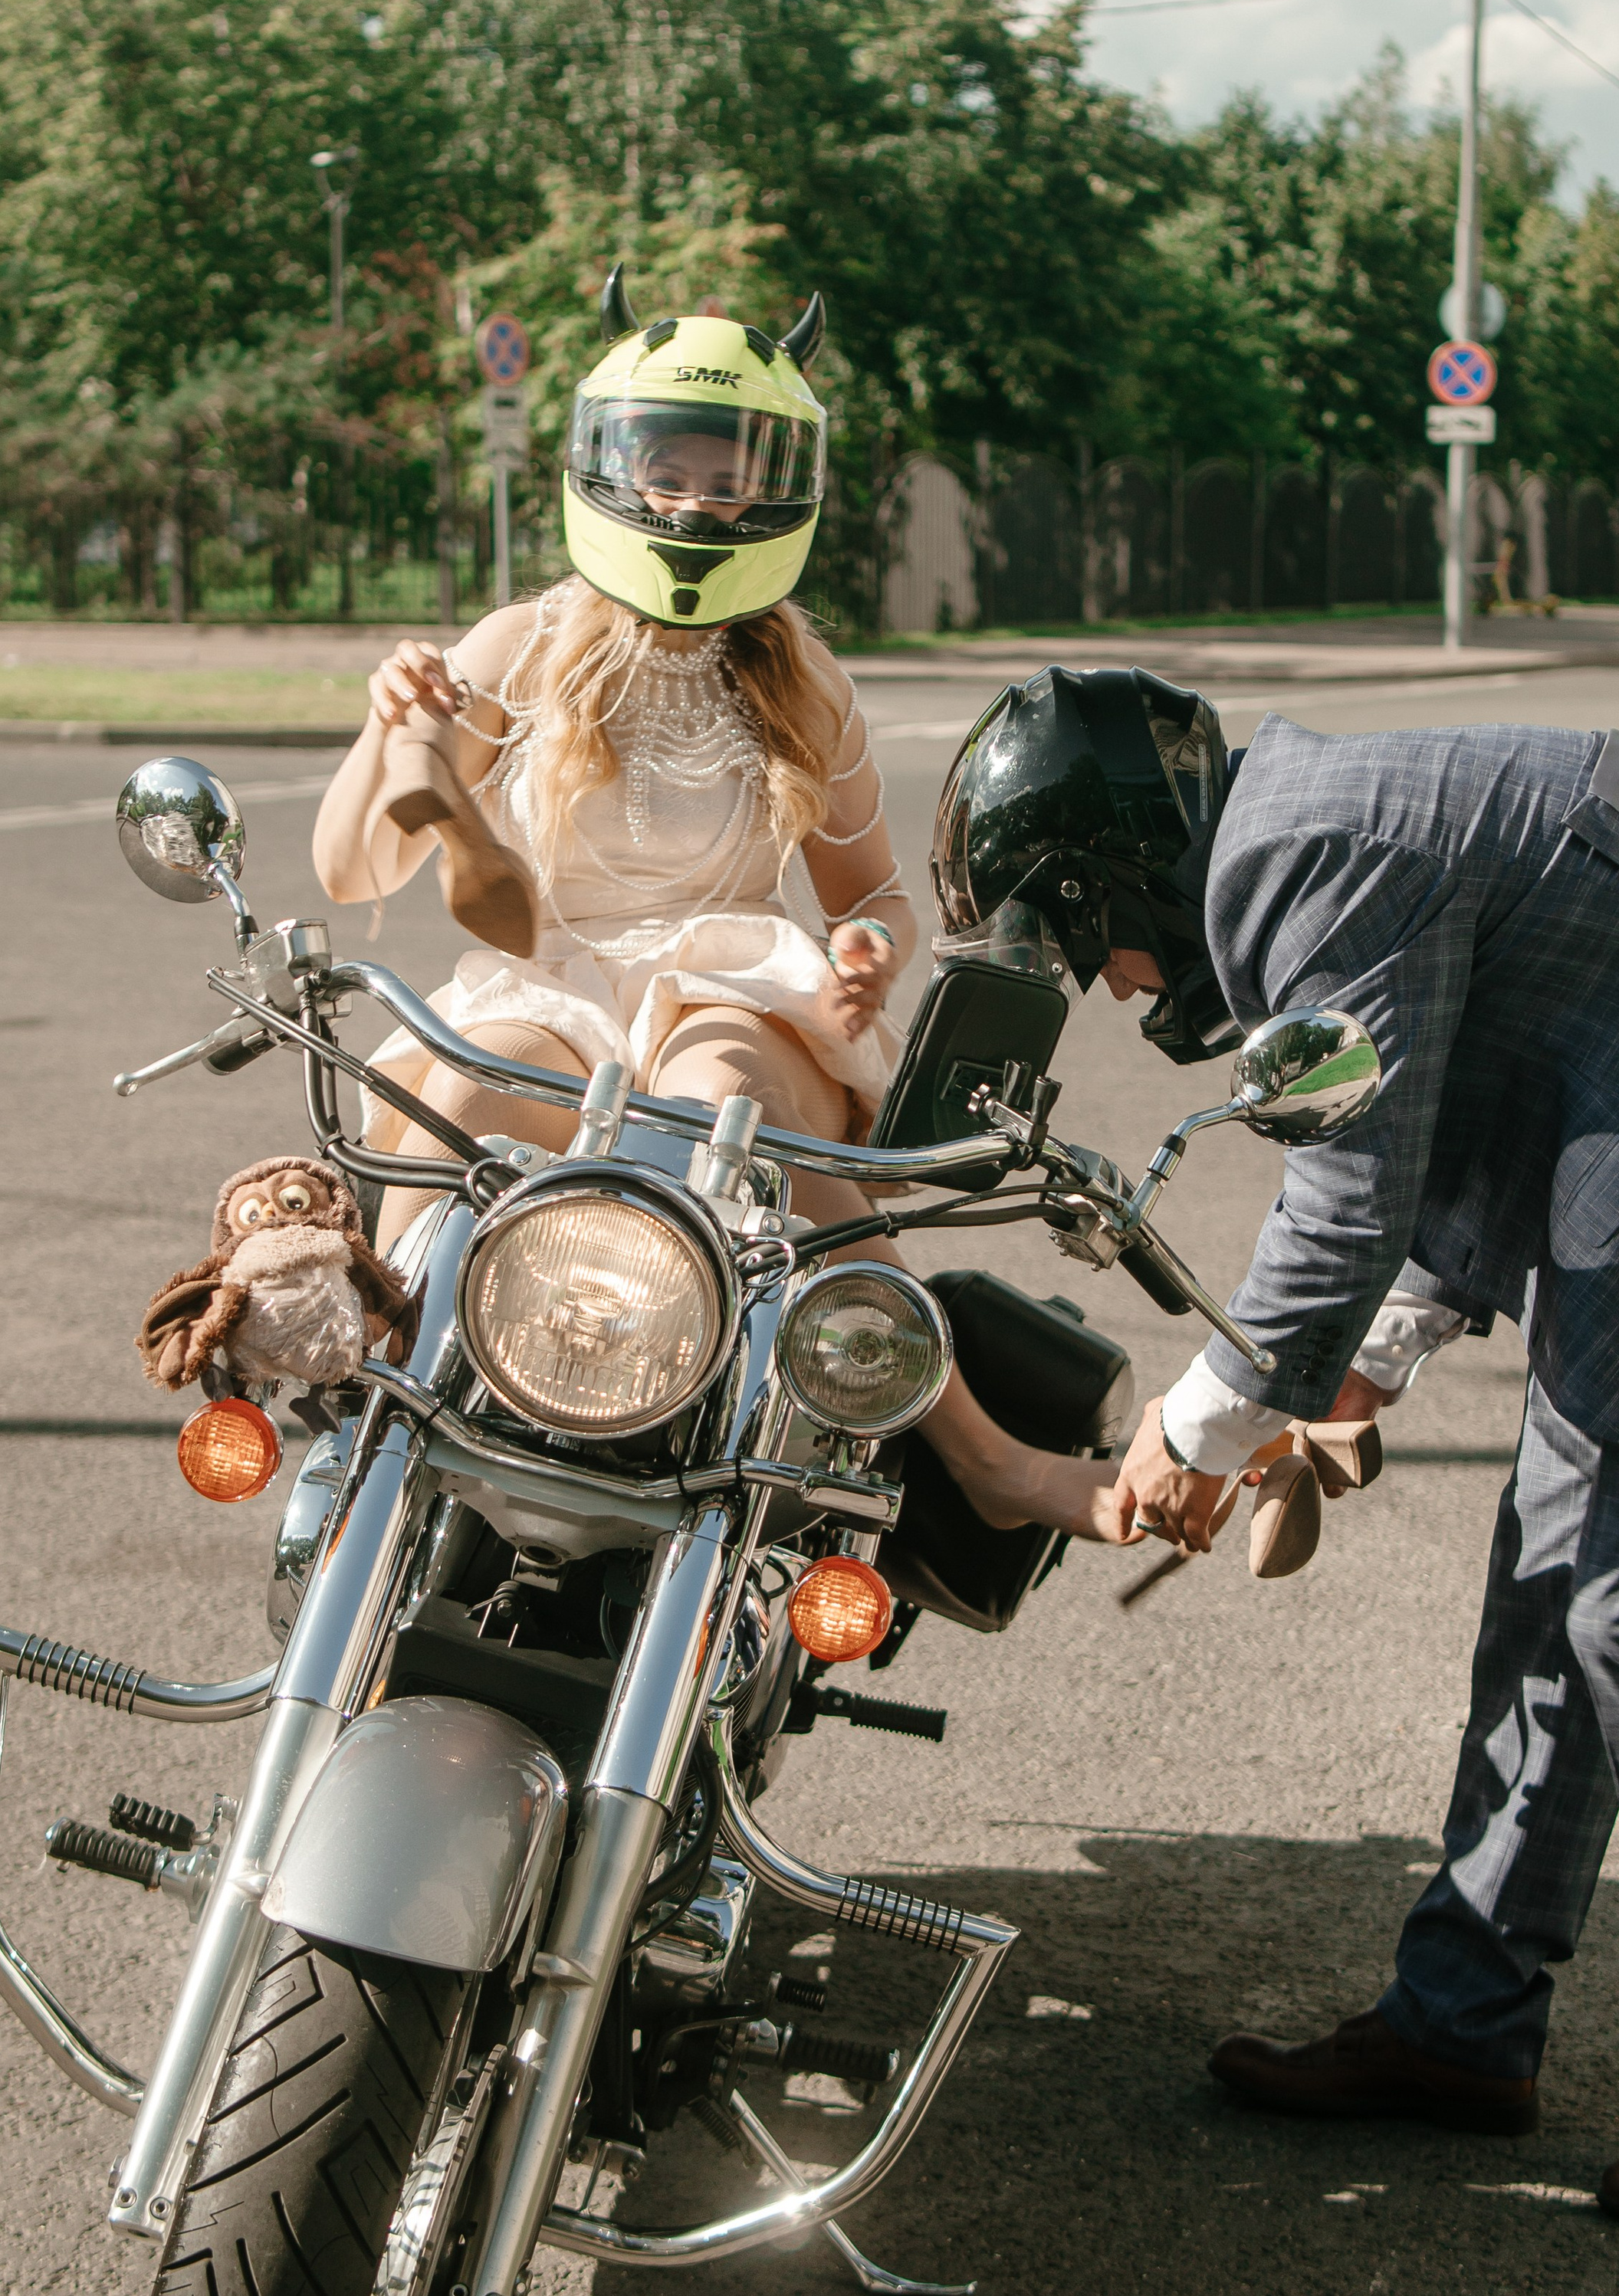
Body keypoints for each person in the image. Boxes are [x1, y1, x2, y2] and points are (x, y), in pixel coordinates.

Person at [931, 663, 1619, 2225]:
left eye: (1079, 942)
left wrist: (1198, 1428)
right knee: (1551, 1589)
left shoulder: (1298, 859)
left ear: (1110, 875)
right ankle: (1461, 2027)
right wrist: (1360, 1373)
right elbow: (1447, 1104)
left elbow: (1348, 1192)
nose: (1107, 984)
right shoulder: (1306, 825)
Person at [311, 274, 1124, 1541]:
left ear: (776, 486)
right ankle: (384, 1399)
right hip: (550, 980)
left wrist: (865, 950)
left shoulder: (808, 677)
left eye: (728, 473)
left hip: (725, 981)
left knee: (725, 1107)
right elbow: (352, 874)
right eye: (669, 465)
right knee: (465, 1090)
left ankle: (982, 1457)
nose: (697, 497)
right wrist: (389, 734)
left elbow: (880, 903)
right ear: (609, 463)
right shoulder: (514, 646)